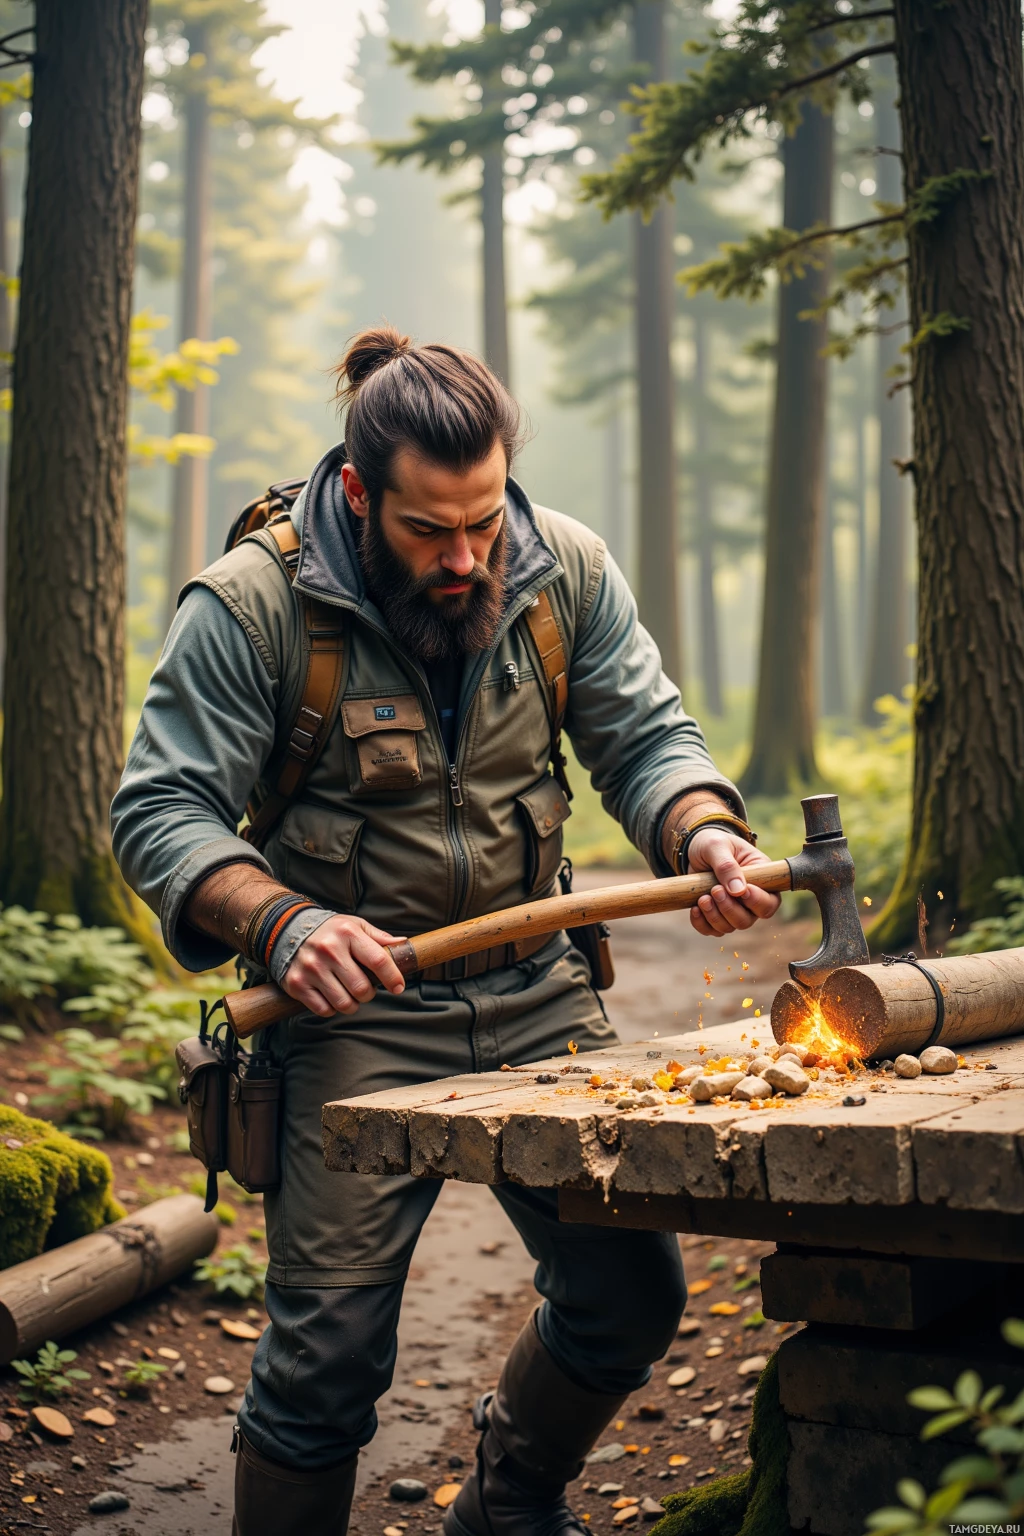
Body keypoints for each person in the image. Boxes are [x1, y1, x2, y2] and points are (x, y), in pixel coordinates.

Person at [112, 326, 781, 1536]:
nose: (467, 557)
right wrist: (279, 919)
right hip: (349, 1020)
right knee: (325, 1366)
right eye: (430, 531)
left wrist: (701, 831)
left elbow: (644, 735)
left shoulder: (560, 568)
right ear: (361, 493)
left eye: (483, 521)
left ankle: (508, 1501)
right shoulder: (253, 604)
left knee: (628, 1294)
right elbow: (158, 807)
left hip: (539, 993)